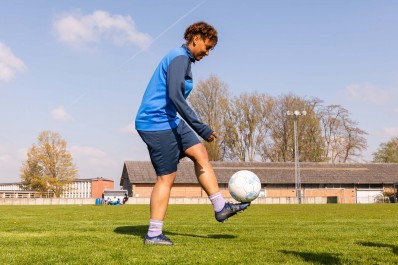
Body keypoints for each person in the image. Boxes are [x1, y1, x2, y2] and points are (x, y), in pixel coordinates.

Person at [135, 21, 250, 246]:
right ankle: (153, 234)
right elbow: (176, 97)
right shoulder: (178, 57)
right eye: (207, 47)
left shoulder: (184, 60)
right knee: (166, 178)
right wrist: (201, 127)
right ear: (195, 38)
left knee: (200, 154)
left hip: (170, 121)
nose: (207, 53)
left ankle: (220, 208)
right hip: (155, 123)